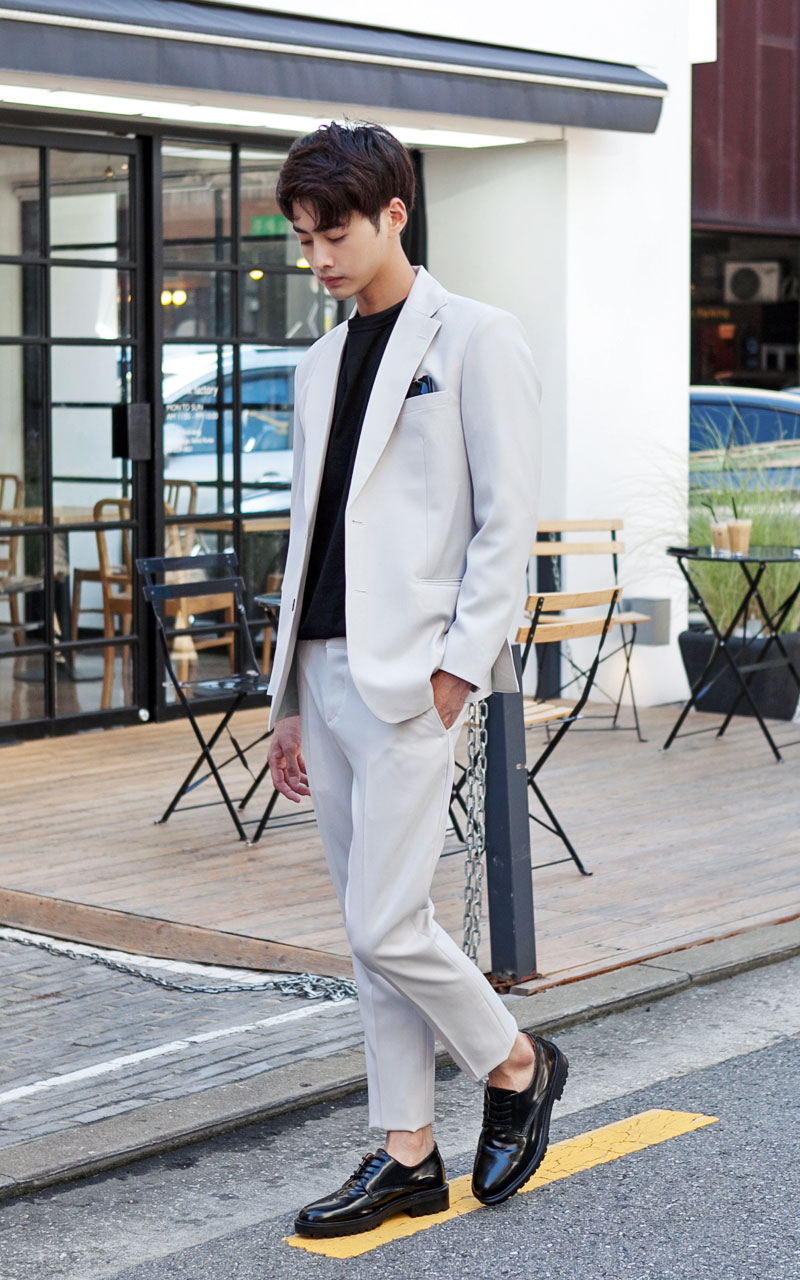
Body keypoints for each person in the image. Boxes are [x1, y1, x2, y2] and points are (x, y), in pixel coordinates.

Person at [267, 121, 568, 1239]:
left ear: (394, 212)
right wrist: (288, 701)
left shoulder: (477, 337)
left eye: (333, 233)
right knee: (369, 930)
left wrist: (457, 670)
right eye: (303, 239)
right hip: (324, 673)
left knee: (389, 920)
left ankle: (515, 1060)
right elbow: (306, 540)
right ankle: (404, 1148)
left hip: (414, 679)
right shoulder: (316, 364)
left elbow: (505, 522)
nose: (318, 259)